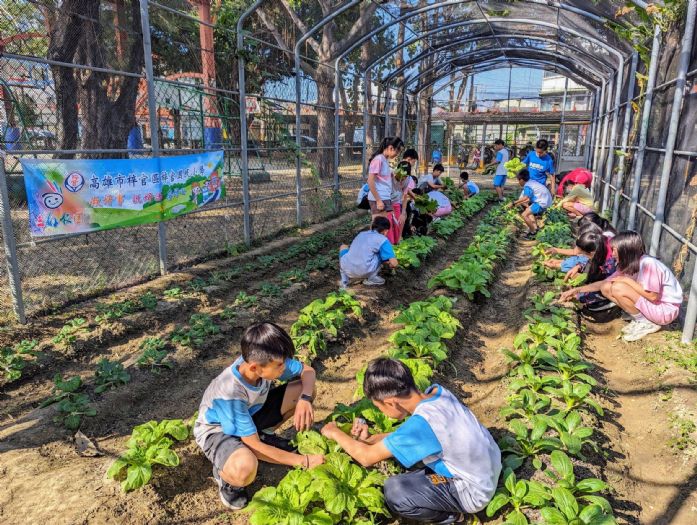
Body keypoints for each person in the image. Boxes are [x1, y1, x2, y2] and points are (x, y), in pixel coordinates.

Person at [320, 357, 501, 525]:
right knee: (408, 463)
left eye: (378, 406)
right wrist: (369, 439)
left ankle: (455, 517)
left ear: (391, 402)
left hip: (473, 492)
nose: (381, 412)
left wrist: (335, 432)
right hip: (488, 468)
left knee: (396, 490)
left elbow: (366, 458)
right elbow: (406, 437)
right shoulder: (438, 394)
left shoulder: (422, 426)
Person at [194, 322, 323, 510]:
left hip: (249, 416)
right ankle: (227, 479)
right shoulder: (230, 394)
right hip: (218, 432)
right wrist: (304, 461)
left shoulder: (266, 358)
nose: (283, 368)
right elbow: (252, 444)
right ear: (255, 368)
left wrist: (304, 398)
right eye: (279, 365)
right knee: (245, 466)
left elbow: (308, 372)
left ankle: (263, 435)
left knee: (303, 389)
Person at [560, 231, 683, 341]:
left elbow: (652, 297)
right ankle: (640, 319)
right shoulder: (630, 264)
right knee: (606, 287)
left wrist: (626, 280)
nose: (612, 254)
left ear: (625, 250)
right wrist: (576, 290)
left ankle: (646, 322)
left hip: (664, 310)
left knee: (618, 286)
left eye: (614, 250)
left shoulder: (648, 264)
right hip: (654, 307)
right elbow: (603, 283)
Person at [339, 216, 398, 287]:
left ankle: (344, 281)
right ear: (385, 231)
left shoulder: (361, 234)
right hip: (364, 271)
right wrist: (390, 264)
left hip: (347, 269)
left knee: (343, 246)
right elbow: (394, 263)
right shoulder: (383, 240)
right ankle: (371, 278)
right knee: (381, 254)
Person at [510, 169, 553, 238]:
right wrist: (518, 204)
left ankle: (533, 232)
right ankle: (534, 227)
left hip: (542, 202)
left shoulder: (528, 186)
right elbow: (525, 199)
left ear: (521, 180)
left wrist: (513, 203)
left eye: (518, 180)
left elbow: (525, 197)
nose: (518, 183)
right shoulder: (531, 182)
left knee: (524, 215)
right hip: (545, 200)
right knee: (527, 210)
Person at [367, 137, 404, 218]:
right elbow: (370, 181)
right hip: (379, 198)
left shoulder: (384, 160)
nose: (398, 154)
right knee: (379, 226)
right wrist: (378, 200)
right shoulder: (378, 159)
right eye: (398, 151)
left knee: (382, 226)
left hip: (384, 197)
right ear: (391, 148)